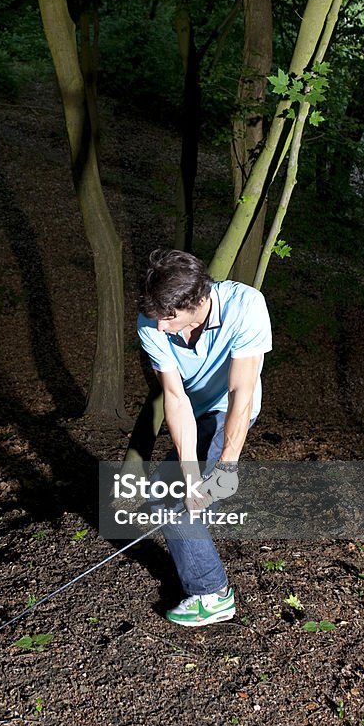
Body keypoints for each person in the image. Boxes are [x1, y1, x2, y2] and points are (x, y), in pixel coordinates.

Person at [137, 249, 272, 626]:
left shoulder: (246, 306)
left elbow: (240, 395)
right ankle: (203, 577)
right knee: (168, 492)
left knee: (171, 499)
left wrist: (227, 467)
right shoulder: (152, 320)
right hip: (192, 411)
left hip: (230, 410)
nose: (160, 327)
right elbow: (175, 398)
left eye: (169, 318)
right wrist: (191, 473)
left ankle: (210, 595)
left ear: (197, 301)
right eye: (157, 317)